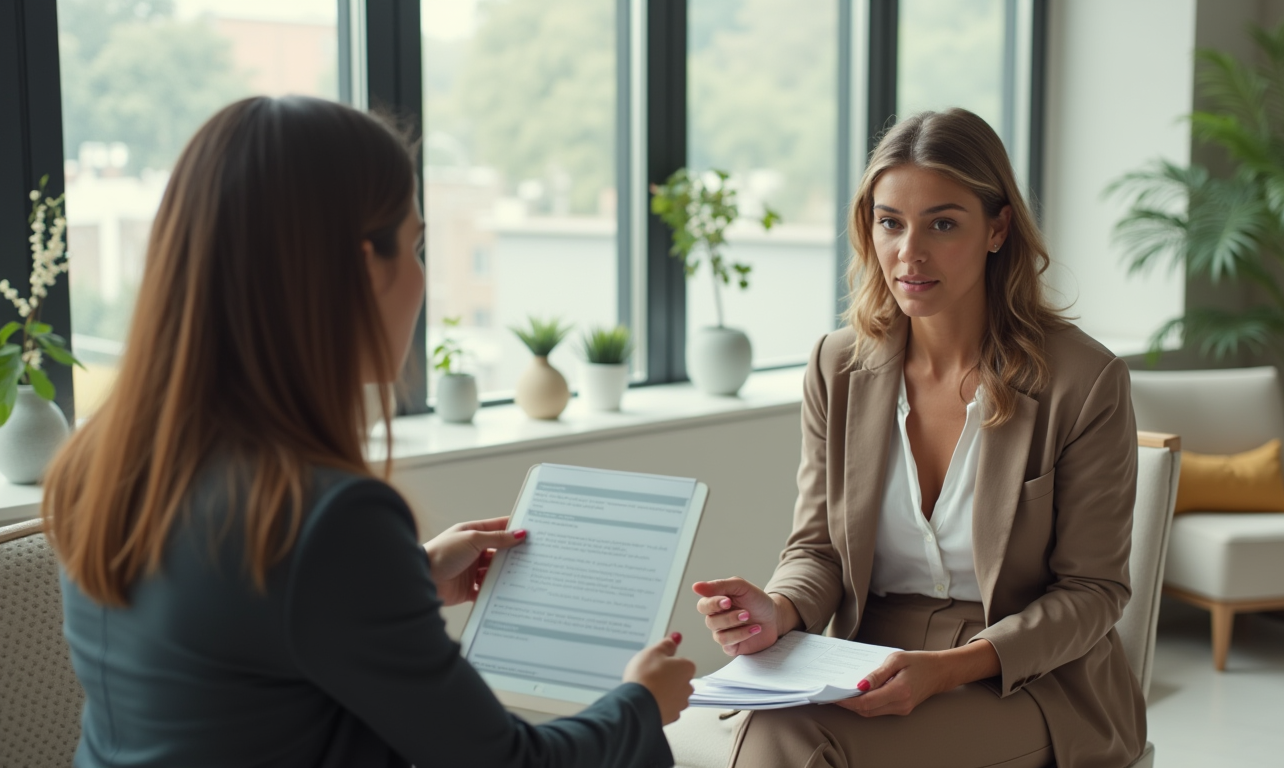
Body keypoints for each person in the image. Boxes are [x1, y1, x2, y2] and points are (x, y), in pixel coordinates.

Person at [42, 95, 694, 768]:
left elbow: (237, 635)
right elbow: (503, 762)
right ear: (361, 266)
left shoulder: (101, 460)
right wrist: (641, 702)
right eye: (413, 245)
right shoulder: (325, 516)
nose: (420, 275)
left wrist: (406, 574)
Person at [692, 108, 1146, 768]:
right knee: (779, 728)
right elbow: (818, 546)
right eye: (890, 222)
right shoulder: (838, 365)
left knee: (789, 738)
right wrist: (781, 609)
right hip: (866, 651)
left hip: (1028, 677)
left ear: (997, 228)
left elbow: (1093, 593)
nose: (910, 252)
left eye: (942, 223)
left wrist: (950, 669)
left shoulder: (1083, 379)